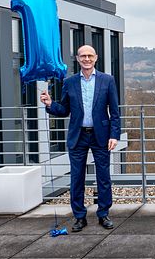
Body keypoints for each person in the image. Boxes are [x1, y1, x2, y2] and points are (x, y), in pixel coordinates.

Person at [40, 45, 120, 232]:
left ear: (96, 58)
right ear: (77, 59)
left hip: (101, 136)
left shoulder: (107, 80)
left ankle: (103, 214)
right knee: (77, 178)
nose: (86, 59)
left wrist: (114, 135)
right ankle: (79, 217)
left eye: (90, 55)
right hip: (78, 136)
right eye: (83, 56)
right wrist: (51, 104)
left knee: (104, 177)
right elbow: (64, 110)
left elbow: (115, 112)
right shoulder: (69, 82)